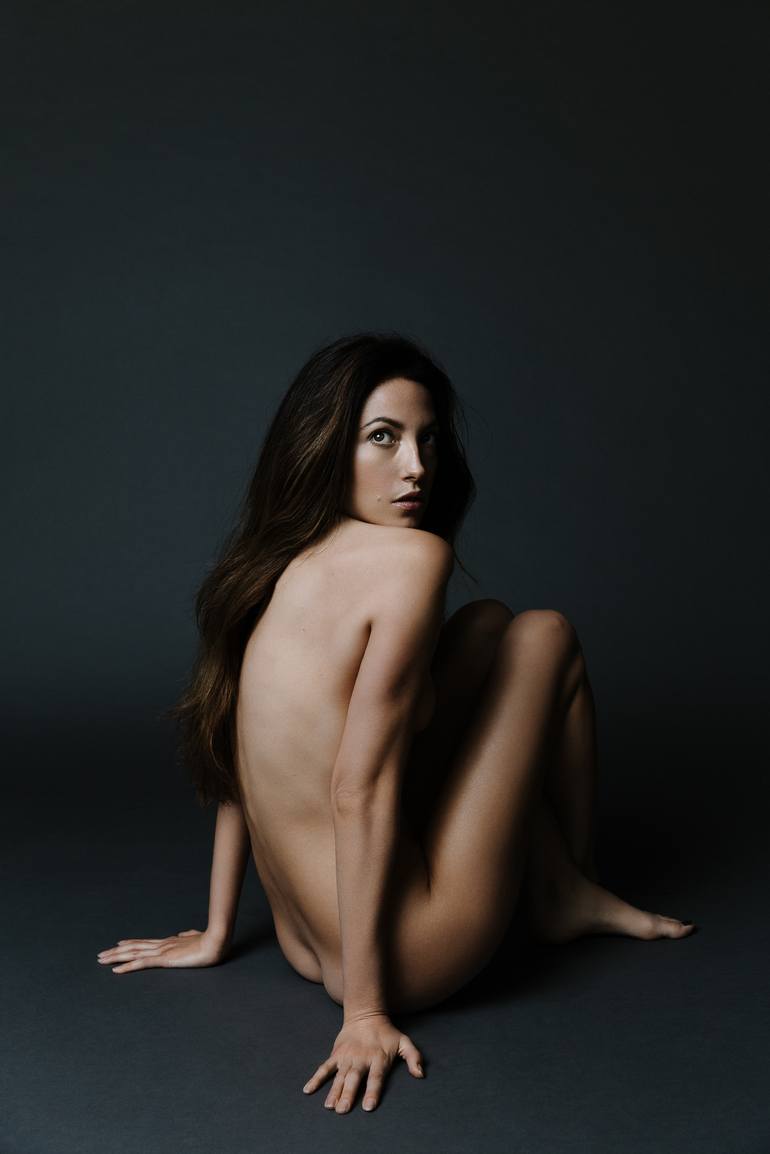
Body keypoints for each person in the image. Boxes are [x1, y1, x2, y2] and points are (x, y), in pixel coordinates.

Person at [96, 332, 696, 1114]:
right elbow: (360, 786)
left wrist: (216, 933)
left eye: (428, 440)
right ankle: (563, 893)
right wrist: (365, 1014)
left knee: (485, 626)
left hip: (304, 943)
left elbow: (240, 758)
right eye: (383, 438)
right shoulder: (412, 560)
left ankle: (562, 885)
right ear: (324, 446)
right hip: (408, 954)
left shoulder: (272, 569)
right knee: (543, 635)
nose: (415, 467)